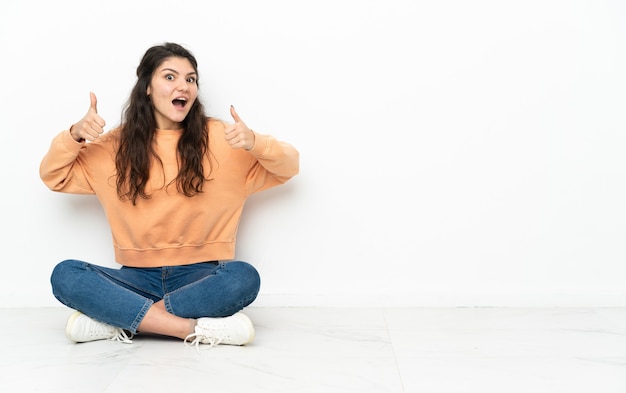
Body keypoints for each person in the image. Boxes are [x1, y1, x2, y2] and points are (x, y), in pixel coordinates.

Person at [39, 42, 299, 348]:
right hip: (135, 280)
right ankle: (188, 328)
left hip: (202, 278)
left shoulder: (223, 139)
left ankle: (120, 320)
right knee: (65, 275)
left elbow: (288, 166)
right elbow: (54, 175)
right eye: (170, 77)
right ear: (147, 87)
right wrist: (74, 135)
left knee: (244, 277)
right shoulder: (114, 145)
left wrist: (255, 142)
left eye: (191, 79)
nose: (184, 87)